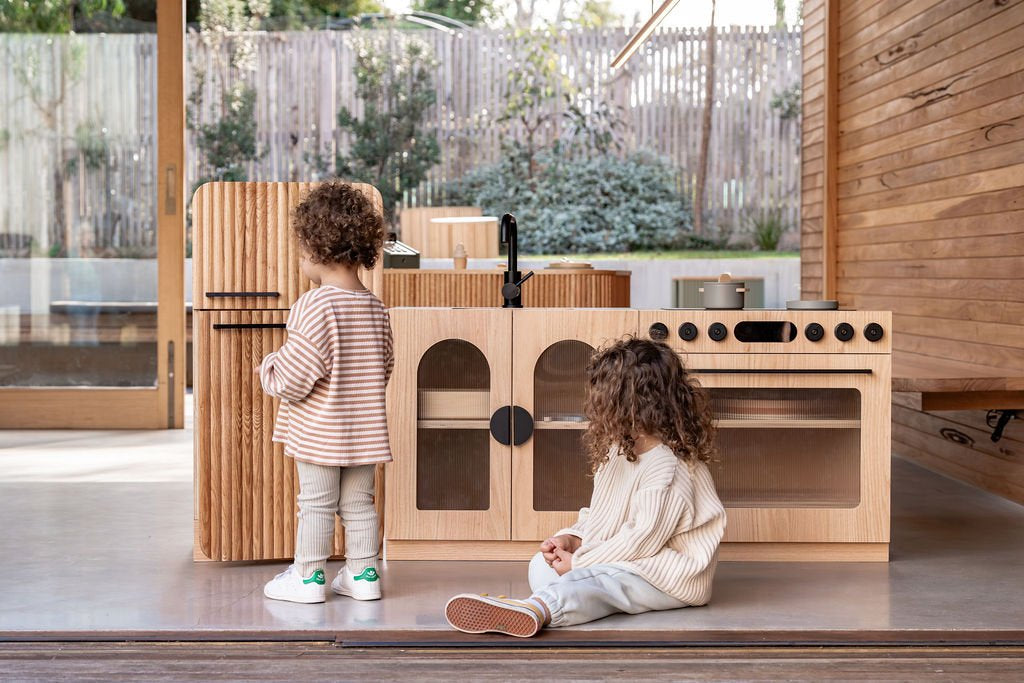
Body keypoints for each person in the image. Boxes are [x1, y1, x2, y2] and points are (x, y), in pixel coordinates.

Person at [445, 337, 726, 636]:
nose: (596, 406)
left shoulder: (669, 468)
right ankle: (565, 598)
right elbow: (602, 515)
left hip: (668, 574)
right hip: (629, 558)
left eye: (603, 398)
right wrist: (573, 539)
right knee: (541, 567)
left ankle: (538, 609)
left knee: (599, 580)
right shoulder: (620, 451)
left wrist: (579, 563)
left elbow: (640, 540)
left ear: (632, 405)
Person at [259, 182, 392, 604]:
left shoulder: (315, 305)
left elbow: (294, 379)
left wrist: (269, 368)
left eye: (301, 251)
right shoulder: (375, 308)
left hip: (320, 432)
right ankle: (364, 575)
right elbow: (385, 366)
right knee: (360, 503)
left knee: (316, 504)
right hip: (365, 431)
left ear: (317, 250)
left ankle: (309, 578)